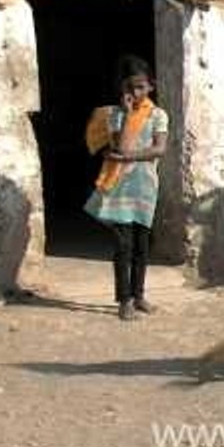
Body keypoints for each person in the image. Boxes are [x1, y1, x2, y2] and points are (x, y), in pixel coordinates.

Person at [84, 55, 168, 321]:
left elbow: (160, 148)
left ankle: (139, 295)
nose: (136, 92)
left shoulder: (158, 115)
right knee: (123, 246)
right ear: (122, 89)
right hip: (119, 188)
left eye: (141, 86)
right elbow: (120, 146)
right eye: (130, 87)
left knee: (143, 246)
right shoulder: (115, 115)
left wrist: (130, 157)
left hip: (145, 187)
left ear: (150, 86)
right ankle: (124, 300)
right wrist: (127, 114)